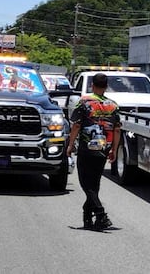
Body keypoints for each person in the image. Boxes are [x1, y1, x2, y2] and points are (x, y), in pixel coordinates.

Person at [66, 73, 121, 231]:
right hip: (104, 148)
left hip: (87, 148)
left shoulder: (84, 102)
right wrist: (114, 149)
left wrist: (70, 145)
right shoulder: (113, 105)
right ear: (106, 86)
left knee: (86, 184)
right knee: (94, 185)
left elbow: (76, 125)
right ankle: (89, 220)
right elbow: (117, 129)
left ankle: (100, 214)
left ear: (92, 85)